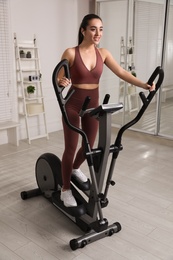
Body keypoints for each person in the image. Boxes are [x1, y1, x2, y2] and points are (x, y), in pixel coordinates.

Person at [58, 14, 155, 207]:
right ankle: (65, 189)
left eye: (101, 29)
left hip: (93, 105)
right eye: (93, 28)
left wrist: (144, 84)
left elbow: (122, 72)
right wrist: (61, 81)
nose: (98, 33)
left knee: (89, 146)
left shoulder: (103, 53)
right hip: (72, 104)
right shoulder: (70, 53)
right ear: (83, 30)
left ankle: (76, 169)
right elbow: (57, 79)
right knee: (71, 147)